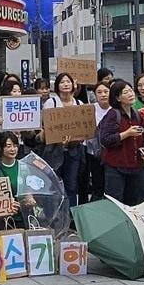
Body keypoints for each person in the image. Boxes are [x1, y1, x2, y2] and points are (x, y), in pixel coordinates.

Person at [98, 79, 144, 206]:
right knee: (115, 203)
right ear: (118, 98)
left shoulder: (137, 115)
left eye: (131, 90)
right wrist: (126, 134)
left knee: (133, 203)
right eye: (125, 92)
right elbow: (105, 140)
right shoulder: (113, 115)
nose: (130, 94)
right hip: (115, 168)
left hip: (135, 167)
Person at [44, 73, 87, 206]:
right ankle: (55, 217)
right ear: (57, 86)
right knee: (53, 185)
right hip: (54, 150)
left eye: (68, 81)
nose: (66, 84)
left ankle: (72, 216)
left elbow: (84, 127)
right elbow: (47, 126)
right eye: (62, 82)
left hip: (74, 151)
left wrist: (75, 139)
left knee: (71, 186)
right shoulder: (51, 102)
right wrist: (58, 139)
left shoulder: (79, 104)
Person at [81, 80, 111, 204]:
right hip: (93, 153)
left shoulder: (115, 109)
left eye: (106, 91)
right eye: (99, 92)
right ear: (94, 94)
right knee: (97, 183)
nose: (103, 95)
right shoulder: (89, 109)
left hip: (111, 152)